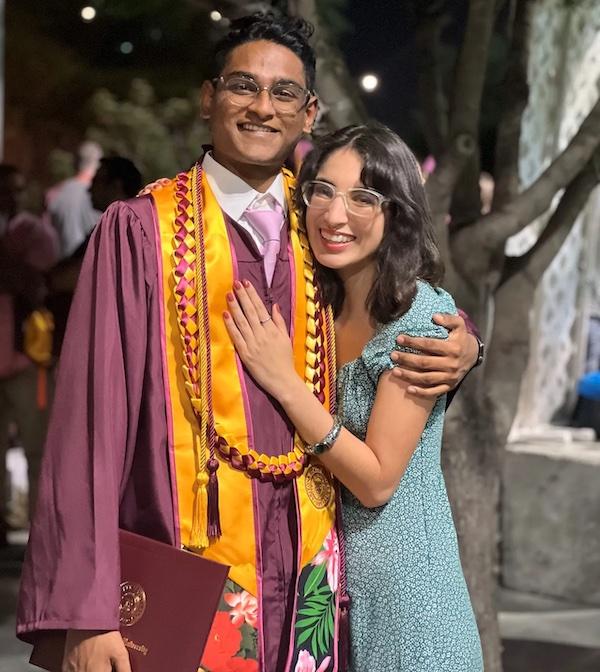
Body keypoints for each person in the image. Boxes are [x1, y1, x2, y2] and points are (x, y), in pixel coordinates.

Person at [17, 14, 481, 672]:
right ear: (208, 99)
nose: (263, 106)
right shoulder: (142, 233)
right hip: (186, 560)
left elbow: (401, 302)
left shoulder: (322, 224)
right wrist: (87, 612)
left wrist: (464, 344)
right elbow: (88, 427)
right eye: (242, 86)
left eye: (284, 92)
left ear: (309, 112)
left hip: (311, 576)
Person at [224, 123, 483, 671]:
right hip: (327, 594)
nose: (335, 215)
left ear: (398, 215)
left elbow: (376, 479)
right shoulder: (316, 299)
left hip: (410, 603)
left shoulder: (419, 320)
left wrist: (285, 383)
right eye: (323, 190)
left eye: (363, 198)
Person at [0, 164, 58, 546]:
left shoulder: (33, 232)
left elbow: (43, 282)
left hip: (25, 360)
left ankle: (40, 534)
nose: (11, 196)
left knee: (38, 450)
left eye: (17, 189)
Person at [47, 156, 143, 357]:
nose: (90, 190)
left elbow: (76, 277)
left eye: (96, 182)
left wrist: (44, 281)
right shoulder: (111, 228)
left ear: (116, 186)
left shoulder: (125, 231)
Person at [46, 140, 103, 259]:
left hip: (61, 268)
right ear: (98, 164)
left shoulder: (54, 193)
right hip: (90, 268)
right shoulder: (100, 196)